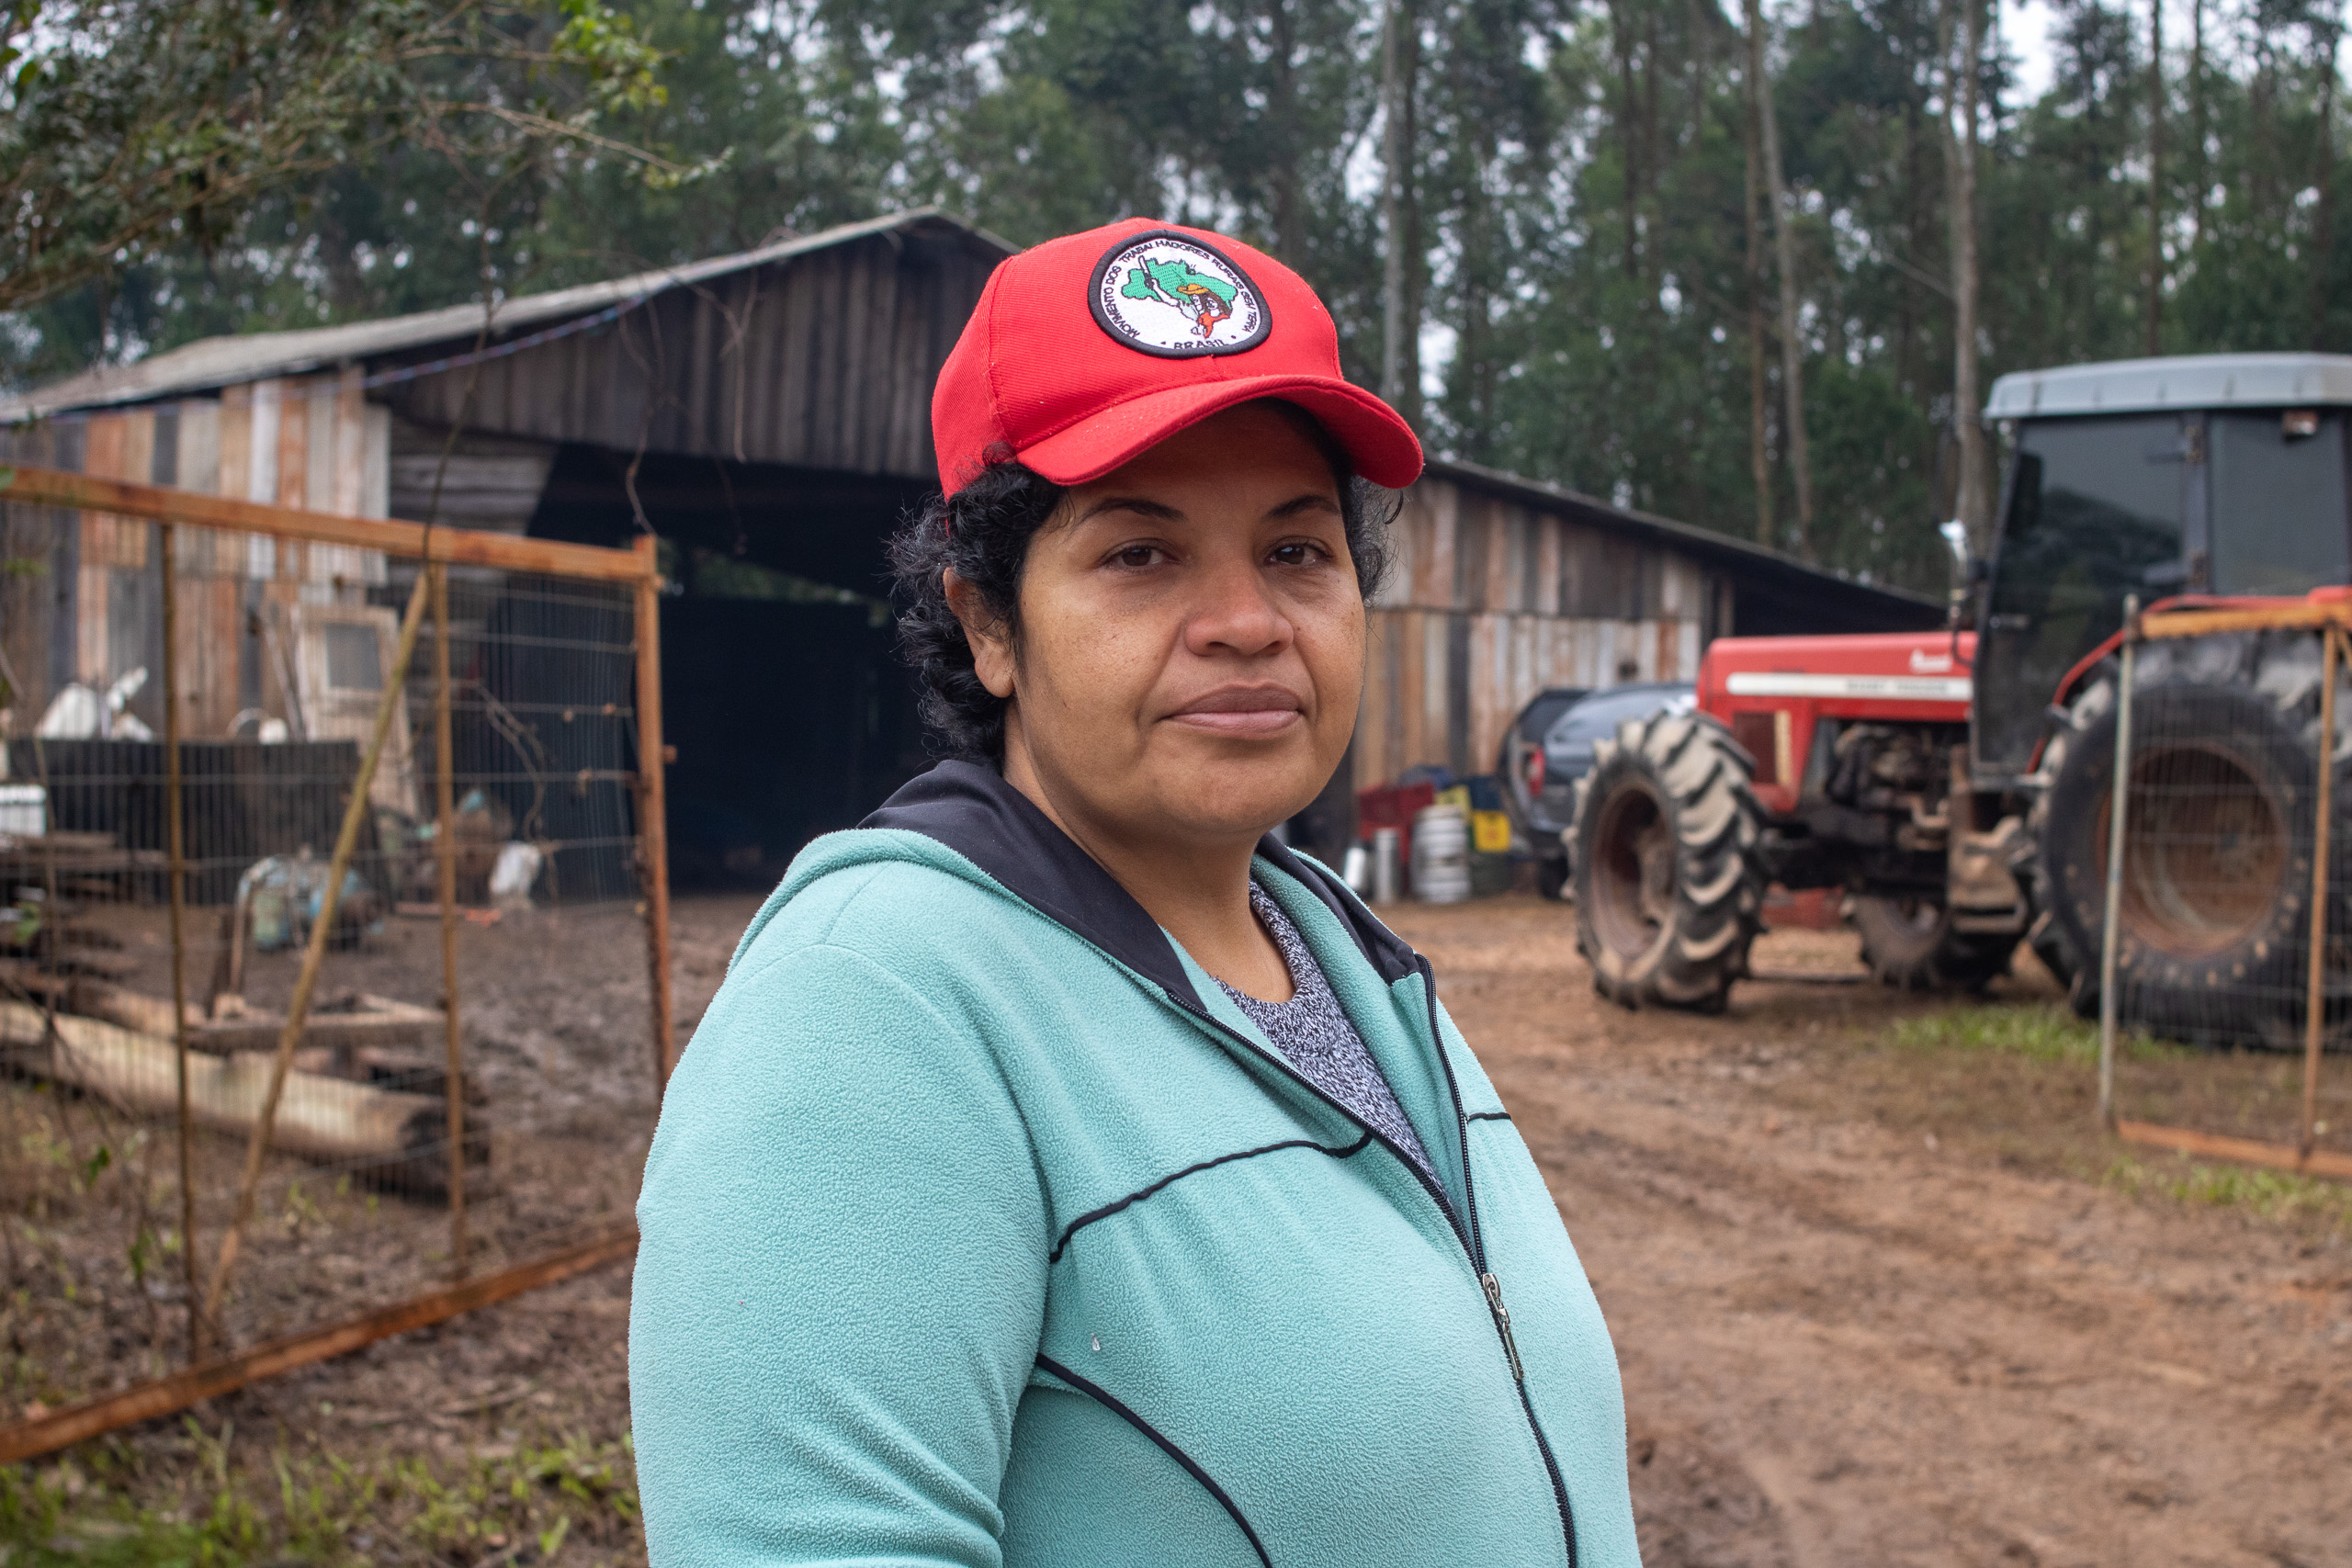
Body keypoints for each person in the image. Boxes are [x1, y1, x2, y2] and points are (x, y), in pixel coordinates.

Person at [629, 218, 1641, 1566]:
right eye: (1141, 554)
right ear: (989, 623)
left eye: (1296, 550)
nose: (1247, 620)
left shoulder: (1343, 952)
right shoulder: (875, 1003)